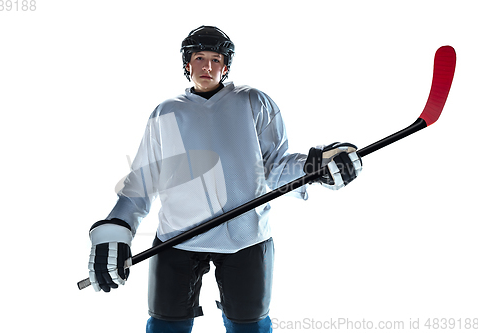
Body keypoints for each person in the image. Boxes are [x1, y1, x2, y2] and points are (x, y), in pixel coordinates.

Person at [87, 26, 362, 333]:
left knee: (249, 327)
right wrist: (116, 228)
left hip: (246, 238)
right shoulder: (165, 113)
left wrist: (315, 167)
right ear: (186, 64)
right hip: (177, 238)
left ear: (226, 65)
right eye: (199, 58)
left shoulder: (253, 102)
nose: (207, 66)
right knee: (165, 325)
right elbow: (142, 182)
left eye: (215, 59)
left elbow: (275, 167)